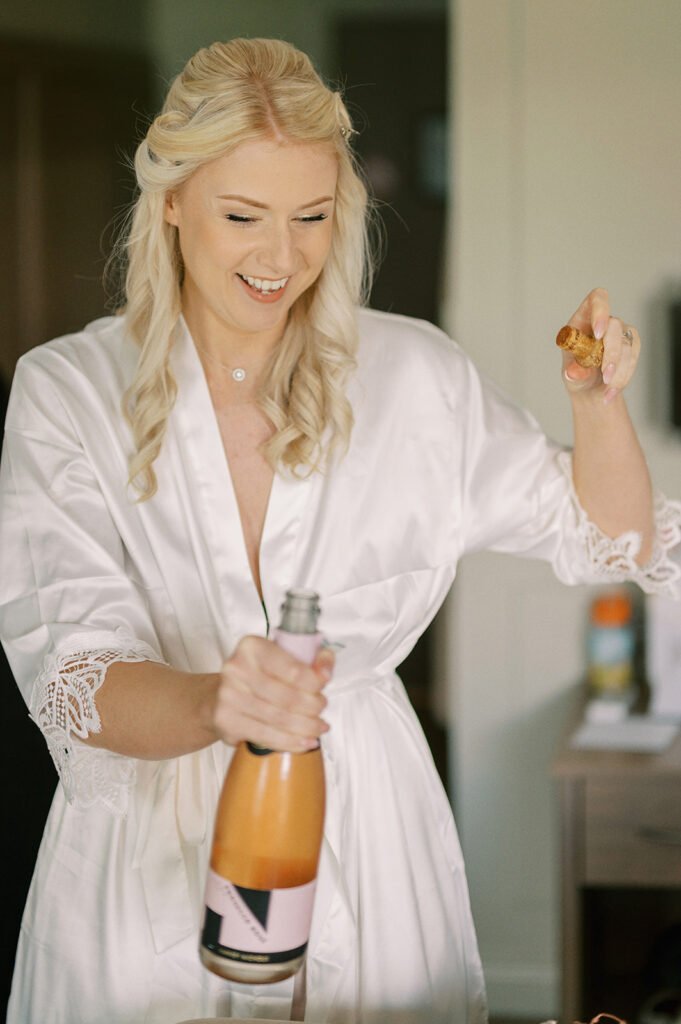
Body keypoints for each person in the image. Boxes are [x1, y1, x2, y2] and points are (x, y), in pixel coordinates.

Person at [0, 36, 679, 1024]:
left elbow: (610, 537)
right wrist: (217, 700)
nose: (282, 257)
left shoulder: (415, 377)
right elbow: (74, 676)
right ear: (174, 201)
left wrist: (599, 405)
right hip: (146, 849)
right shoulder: (66, 394)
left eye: (311, 218)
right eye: (244, 216)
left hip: (370, 827)